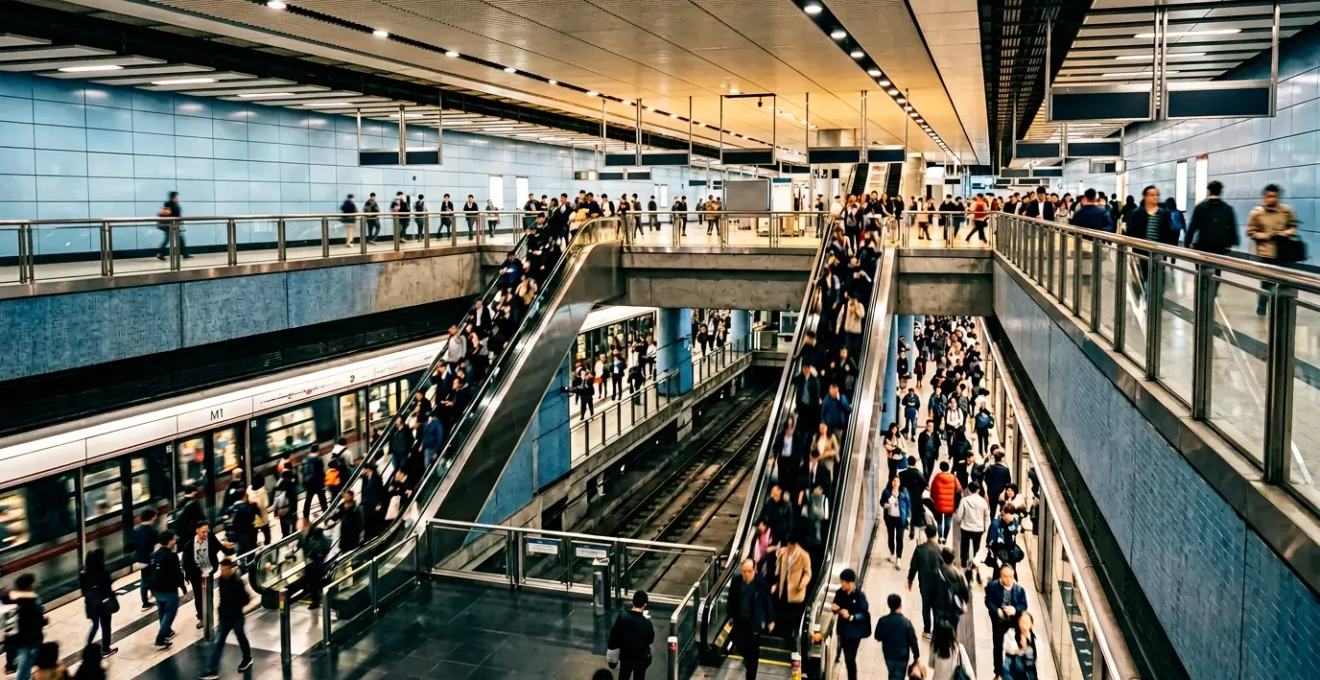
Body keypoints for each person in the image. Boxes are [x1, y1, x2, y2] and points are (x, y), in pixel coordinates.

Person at [1247, 184, 1302, 315]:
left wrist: (1286, 233)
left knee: (1283, 282)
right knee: (1266, 283)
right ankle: (1262, 305)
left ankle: (1279, 308)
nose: (1272, 199)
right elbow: (1250, 231)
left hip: (1283, 253)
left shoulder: (1286, 211)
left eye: (1275, 196)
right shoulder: (1257, 213)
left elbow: (1293, 227)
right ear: (1264, 197)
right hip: (1266, 253)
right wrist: (1267, 236)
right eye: (1269, 196)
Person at [199, 558, 253, 679]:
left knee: (241, 637)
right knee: (218, 642)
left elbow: (246, 598)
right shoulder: (222, 580)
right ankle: (211, 669)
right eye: (221, 568)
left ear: (230, 568)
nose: (222, 571)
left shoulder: (237, 582)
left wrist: (235, 606)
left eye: (224, 568)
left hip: (236, 617)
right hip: (224, 618)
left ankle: (247, 658)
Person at [729, 558, 774, 680]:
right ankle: (748, 660)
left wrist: (770, 620)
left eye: (749, 571)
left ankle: (751, 675)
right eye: (744, 571)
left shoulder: (761, 584)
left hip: (753, 624)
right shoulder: (736, 582)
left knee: (753, 655)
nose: (746, 574)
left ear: (754, 570)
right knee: (739, 646)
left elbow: (767, 602)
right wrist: (730, 616)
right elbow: (731, 600)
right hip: (739, 622)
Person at [182, 523, 231, 629]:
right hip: (195, 574)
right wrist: (186, 576)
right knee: (198, 595)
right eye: (203, 531)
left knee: (209, 594)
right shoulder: (190, 544)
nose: (205, 534)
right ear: (197, 530)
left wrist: (228, 547)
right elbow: (186, 561)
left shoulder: (211, 538)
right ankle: (201, 617)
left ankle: (209, 615)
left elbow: (221, 547)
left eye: (207, 531)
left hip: (208, 571)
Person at [985, 565, 1028, 679]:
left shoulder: (1019, 590)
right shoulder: (993, 586)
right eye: (1005, 576)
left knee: (1017, 646)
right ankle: (998, 672)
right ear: (1000, 576)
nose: (1008, 579)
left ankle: (1016, 669)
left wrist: (1015, 610)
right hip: (999, 622)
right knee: (998, 647)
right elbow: (988, 601)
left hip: (1014, 622)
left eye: (1010, 576)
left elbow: (1024, 605)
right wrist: (997, 610)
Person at [831, 568, 870, 680]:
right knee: (844, 651)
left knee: (850, 659)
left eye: (843, 582)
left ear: (850, 582)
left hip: (854, 633)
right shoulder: (840, 593)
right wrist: (834, 608)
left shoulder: (859, 596)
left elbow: (864, 614)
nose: (841, 584)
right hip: (843, 630)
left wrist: (850, 616)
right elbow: (835, 604)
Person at [606, 591, 654, 680]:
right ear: (645, 605)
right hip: (640, 659)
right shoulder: (647, 623)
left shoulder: (622, 617)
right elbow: (650, 640)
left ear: (632, 602)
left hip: (625, 656)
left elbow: (614, 634)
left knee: (623, 675)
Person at [149, 530, 184, 650]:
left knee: (162, 612)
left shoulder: (155, 554)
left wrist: (151, 589)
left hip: (157, 590)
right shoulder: (171, 556)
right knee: (170, 614)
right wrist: (183, 586)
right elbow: (177, 574)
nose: (175, 541)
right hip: (169, 590)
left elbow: (149, 573)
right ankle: (160, 639)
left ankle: (166, 633)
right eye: (174, 539)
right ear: (169, 541)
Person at [773, 533, 811, 642]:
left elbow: (807, 573)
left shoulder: (803, 555)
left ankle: (791, 634)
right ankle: (781, 632)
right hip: (784, 585)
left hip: (795, 588)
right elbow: (779, 567)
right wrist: (776, 582)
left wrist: (802, 584)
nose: (789, 546)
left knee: (793, 613)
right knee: (782, 608)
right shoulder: (784, 552)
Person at [78, 550, 116, 658]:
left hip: (91, 604)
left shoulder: (83, 574)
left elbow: (83, 591)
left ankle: (88, 646)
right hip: (104, 603)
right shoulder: (103, 572)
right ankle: (106, 648)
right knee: (106, 626)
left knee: (95, 625)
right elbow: (107, 589)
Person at [1185, 181, 1238, 255]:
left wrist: (1187, 242)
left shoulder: (1200, 207)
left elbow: (1192, 226)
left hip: (1204, 245)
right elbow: (1232, 226)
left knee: (1204, 265)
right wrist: (1232, 242)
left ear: (1209, 191)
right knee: (1219, 265)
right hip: (1221, 246)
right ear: (1220, 192)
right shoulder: (1227, 208)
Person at [874, 594, 920, 680]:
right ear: (900, 605)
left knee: (892, 673)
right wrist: (916, 656)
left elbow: (877, 636)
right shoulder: (906, 623)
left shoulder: (883, 621)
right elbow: (913, 641)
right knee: (899, 676)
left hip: (888, 654)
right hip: (902, 656)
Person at [906, 525, 942, 637]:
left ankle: (927, 630)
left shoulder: (920, 549)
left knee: (926, 606)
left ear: (926, 535)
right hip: (938, 584)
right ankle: (936, 630)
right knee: (936, 607)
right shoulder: (941, 550)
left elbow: (913, 567)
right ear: (936, 534)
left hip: (925, 584)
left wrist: (910, 580)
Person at [953, 482, 990, 583]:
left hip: (966, 528)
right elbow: (986, 516)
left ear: (969, 490)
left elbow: (959, 515)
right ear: (978, 490)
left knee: (964, 547)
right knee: (977, 548)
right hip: (978, 528)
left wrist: (959, 521)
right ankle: (975, 564)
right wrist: (986, 527)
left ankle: (964, 565)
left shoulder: (964, 500)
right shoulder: (983, 502)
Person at [10, 574, 43, 680]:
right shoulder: (28, 602)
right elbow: (33, 619)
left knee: (26, 663)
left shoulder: (20, 600)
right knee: (25, 663)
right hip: (29, 639)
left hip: (26, 638)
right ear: (29, 586)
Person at [933, 548, 968, 630]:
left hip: (939, 607)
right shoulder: (958, 574)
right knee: (952, 631)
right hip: (953, 609)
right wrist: (964, 603)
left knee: (939, 630)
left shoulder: (938, 571)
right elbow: (964, 592)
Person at [131, 510, 159, 611]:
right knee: (148, 579)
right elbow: (155, 546)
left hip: (140, 559)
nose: (156, 518)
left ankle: (146, 600)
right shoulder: (151, 530)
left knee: (144, 579)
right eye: (155, 516)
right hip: (149, 558)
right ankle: (148, 600)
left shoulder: (135, 529)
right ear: (151, 517)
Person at [880, 476, 910, 568]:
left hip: (901, 519)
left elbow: (908, 504)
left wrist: (909, 516)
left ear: (900, 483)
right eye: (894, 481)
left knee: (899, 538)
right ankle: (892, 552)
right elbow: (881, 502)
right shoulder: (886, 492)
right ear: (891, 482)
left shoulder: (904, 491)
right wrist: (885, 505)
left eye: (897, 481)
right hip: (890, 518)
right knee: (891, 536)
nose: (895, 483)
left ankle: (899, 558)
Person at [929, 463, 961, 543]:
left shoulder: (937, 477)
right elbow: (959, 489)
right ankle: (945, 538)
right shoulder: (953, 477)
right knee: (948, 522)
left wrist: (934, 499)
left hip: (939, 503)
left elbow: (932, 489)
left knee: (939, 522)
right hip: (950, 504)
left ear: (940, 468)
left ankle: (940, 537)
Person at [1003, 611, 1039, 680]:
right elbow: (1009, 650)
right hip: (1013, 670)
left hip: (1030, 672)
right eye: (1021, 622)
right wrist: (1022, 648)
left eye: (1026, 623)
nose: (1023, 625)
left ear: (1031, 625)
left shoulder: (1036, 639)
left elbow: (1039, 661)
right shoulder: (1011, 633)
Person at [154, 191, 189, 261]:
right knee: (171, 239)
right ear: (173, 197)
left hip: (173, 225)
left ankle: (184, 254)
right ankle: (160, 253)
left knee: (177, 239)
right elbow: (167, 215)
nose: (178, 198)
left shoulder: (174, 204)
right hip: (169, 225)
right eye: (177, 196)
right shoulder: (169, 204)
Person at [300, 445, 327, 519]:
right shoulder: (318, 459)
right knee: (323, 501)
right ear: (318, 450)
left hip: (309, 484)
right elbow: (321, 473)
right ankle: (326, 517)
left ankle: (305, 517)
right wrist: (323, 483)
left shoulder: (305, 459)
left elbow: (303, 472)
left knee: (308, 501)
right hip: (318, 484)